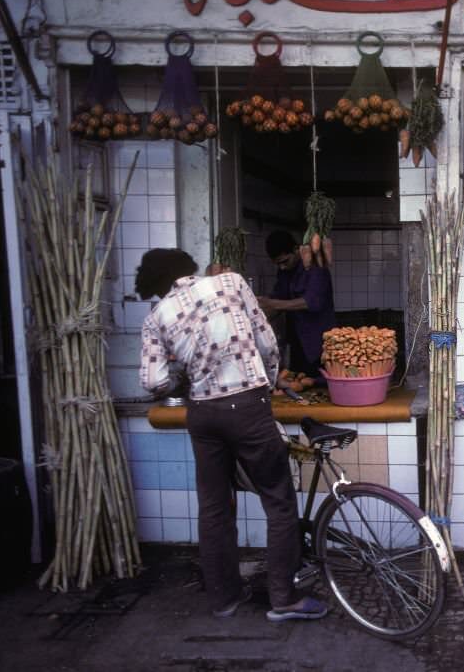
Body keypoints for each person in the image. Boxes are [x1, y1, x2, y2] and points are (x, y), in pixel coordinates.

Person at [136, 248, 327, 622]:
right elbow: (267, 342)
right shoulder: (230, 283)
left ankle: (224, 599)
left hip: (203, 415)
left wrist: (184, 373)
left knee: (214, 507)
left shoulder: (156, 316)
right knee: (279, 501)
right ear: (189, 269)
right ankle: (283, 598)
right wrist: (269, 380)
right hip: (248, 407)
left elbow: (153, 382)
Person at [258, 230, 335, 378]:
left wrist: (272, 303)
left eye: (285, 261)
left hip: (318, 342)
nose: (282, 267)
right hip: (297, 341)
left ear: (296, 250)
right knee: (298, 381)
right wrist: (258, 316)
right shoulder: (284, 272)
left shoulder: (316, 267)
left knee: (318, 383)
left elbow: (313, 302)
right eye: (278, 264)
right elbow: (278, 298)